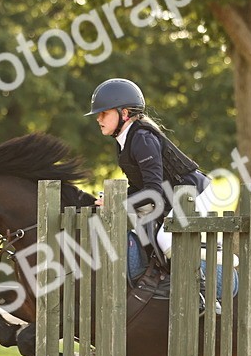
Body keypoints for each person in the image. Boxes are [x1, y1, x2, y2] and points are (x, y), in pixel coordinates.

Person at [86, 78, 212, 265]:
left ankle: (198, 287)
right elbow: (139, 187)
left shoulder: (142, 139)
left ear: (125, 113)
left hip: (193, 194)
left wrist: (118, 202)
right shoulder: (123, 142)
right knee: (142, 231)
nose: (98, 118)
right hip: (172, 197)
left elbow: (153, 191)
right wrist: (111, 199)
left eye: (104, 113)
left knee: (165, 239)